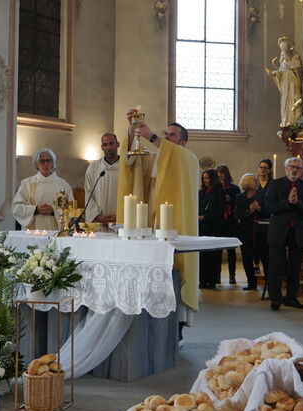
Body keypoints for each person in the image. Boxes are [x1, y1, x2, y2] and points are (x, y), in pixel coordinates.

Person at [117, 111, 200, 321]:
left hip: (176, 224)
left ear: (183, 142)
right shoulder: (156, 159)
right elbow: (130, 161)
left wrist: (151, 136)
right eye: (166, 134)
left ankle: (177, 321)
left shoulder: (188, 159)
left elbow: (172, 153)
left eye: (172, 135)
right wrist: (132, 129)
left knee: (174, 270)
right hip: (153, 221)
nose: (167, 137)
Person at [266, 157, 303, 311]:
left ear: (302, 171)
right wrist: (287, 202)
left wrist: (297, 203)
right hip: (279, 231)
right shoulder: (275, 184)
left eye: (298, 168)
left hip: (297, 231)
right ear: (286, 168)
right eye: (292, 167)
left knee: (295, 267)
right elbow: (269, 207)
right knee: (276, 266)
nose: (295, 170)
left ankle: (291, 297)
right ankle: (275, 298)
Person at [12, 148, 73, 230]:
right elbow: (16, 207)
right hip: (31, 231)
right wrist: (35, 209)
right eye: (42, 161)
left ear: (52, 164)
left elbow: (71, 209)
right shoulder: (26, 183)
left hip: (55, 230)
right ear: (36, 164)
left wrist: (53, 211)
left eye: (48, 160)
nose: (45, 164)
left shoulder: (63, 185)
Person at [266, 37, 303, 127]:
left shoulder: (295, 56)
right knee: (285, 101)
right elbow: (280, 72)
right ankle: (285, 120)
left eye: (284, 45)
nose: (283, 47)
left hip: (293, 82)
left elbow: (299, 69)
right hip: (285, 84)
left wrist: (292, 68)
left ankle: (293, 121)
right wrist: (274, 73)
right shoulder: (282, 59)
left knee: (292, 99)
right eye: (281, 46)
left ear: (289, 46)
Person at [84, 133, 120, 224]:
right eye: (105, 145)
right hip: (100, 222)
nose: (108, 147)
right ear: (102, 147)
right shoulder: (93, 167)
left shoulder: (126, 168)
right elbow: (88, 194)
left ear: (118, 144)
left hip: (120, 223)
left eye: (111, 143)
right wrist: (97, 216)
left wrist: (121, 216)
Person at [198, 169, 225, 289]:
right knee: (202, 256)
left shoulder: (219, 192)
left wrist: (206, 217)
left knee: (212, 256)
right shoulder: (201, 192)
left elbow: (220, 211)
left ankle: (212, 281)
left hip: (214, 227)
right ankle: (203, 281)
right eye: (204, 178)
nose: (206, 181)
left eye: (208, 178)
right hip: (202, 227)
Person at [234, 173, 260, 291]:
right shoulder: (240, 197)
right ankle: (251, 282)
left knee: (261, 256)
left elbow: (268, 211)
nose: (257, 182)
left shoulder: (261, 195)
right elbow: (237, 214)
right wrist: (250, 210)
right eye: (254, 180)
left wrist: (259, 208)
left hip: (259, 230)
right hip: (245, 230)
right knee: (247, 257)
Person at [216, 165, 240, 284]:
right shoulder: (215, 188)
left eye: (222, 172)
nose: (220, 175)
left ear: (226, 174)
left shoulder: (234, 188)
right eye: (218, 173)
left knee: (231, 250)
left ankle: (232, 275)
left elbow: (237, 203)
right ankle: (217, 275)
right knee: (218, 250)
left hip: (231, 222)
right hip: (219, 222)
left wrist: (229, 199)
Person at [254, 159, 274, 275]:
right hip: (255, 216)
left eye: (265, 168)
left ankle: (267, 268)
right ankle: (256, 264)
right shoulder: (254, 182)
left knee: (265, 246)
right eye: (261, 167)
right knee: (256, 243)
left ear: (269, 170)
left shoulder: (272, 184)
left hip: (268, 217)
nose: (262, 170)